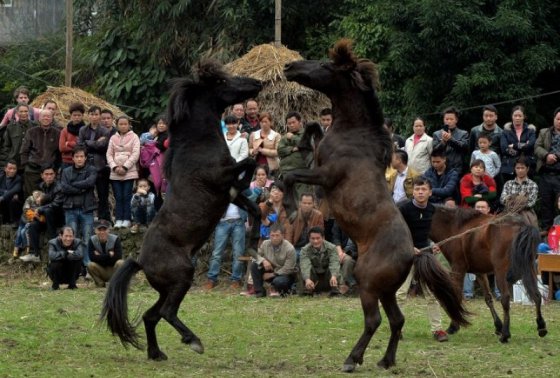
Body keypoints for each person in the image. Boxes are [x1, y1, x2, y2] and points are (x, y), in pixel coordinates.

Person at [396, 177, 449, 342]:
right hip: (406, 254)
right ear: (413, 191)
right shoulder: (403, 209)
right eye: (417, 189)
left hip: (426, 255)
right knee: (401, 294)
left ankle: (437, 330)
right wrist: (409, 247)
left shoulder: (433, 210)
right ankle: (397, 329)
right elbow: (396, 231)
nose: (420, 192)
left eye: (423, 189)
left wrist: (434, 244)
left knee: (432, 294)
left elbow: (432, 233)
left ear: (430, 192)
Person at [60, 145, 97, 269]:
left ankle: (87, 267)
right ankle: (74, 266)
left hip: (87, 209)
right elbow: (64, 188)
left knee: (87, 239)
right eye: (77, 156)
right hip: (70, 209)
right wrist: (81, 189)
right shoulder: (66, 171)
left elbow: (90, 182)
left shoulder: (91, 170)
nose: (79, 159)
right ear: (73, 158)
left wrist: (74, 185)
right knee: (71, 239)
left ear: (86, 158)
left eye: (82, 156)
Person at [106, 116, 140, 229]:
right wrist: (114, 167)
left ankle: (127, 219)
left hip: (129, 172)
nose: (123, 126)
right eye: (121, 124)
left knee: (126, 196)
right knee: (118, 196)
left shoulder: (134, 137)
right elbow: (109, 154)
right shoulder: (113, 138)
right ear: (117, 125)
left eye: (125, 124)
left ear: (129, 125)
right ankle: (118, 219)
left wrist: (125, 167)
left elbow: (136, 153)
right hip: (115, 172)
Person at [79, 105, 111, 222]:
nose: (94, 117)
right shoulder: (83, 129)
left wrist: (88, 143)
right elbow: (80, 146)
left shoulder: (105, 131)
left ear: (100, 116)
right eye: (91, 114)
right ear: (88, 116)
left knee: (103, 193)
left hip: (101, 165)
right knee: (87, 192)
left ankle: (104, 217)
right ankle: (88, 216)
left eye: (96, 114)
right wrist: (94, 143)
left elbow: (103, 147)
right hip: (87, 165)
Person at [20, 109, 61, 198]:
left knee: (48, 196)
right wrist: (26, 166)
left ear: (52, 119)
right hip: (32, 170)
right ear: (39, 118)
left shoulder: (57, 133)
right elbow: (24, 151)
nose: (46, 118)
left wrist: (56, 169)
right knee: (31, 196)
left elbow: (59, 153)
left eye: (48, 116)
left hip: (49, 171)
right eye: (43, 116)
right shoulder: (31, 132)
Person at [26, 164, 64, 259]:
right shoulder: (42, 186)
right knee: (33, 225)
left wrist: (41, 209)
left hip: (57, 218)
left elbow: (56, 204)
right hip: (45, 217)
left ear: (55, 175)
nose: (49, 176)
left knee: (48, 210)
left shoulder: (59, 187)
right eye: (46, 174)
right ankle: (35, 254)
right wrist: (36, 212)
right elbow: (38, 203)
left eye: (51, 174)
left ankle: (54, 246)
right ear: (42, 175)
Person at [249, 223, 297, 297]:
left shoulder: (289, 248)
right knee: (254, 266)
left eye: (277, 235)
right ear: (269, 235)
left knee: (278, 281)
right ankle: (260, 292)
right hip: (270, 270)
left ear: (283, 235)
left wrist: (273, 274)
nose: (274, 238)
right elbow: (254, 255)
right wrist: (263, 260)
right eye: (272, 235)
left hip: (284, 274)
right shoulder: (265, 243)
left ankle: (284, 292)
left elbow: (289, 269)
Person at [534, 107, 560, 230]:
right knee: (546, 206)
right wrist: (546, 155)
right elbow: (537, 147)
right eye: (558, 119)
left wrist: (557, 156)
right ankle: (546, 234)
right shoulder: (544, 132)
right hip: (546, 174)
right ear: (554, 119)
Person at [299, 226, 342, 296]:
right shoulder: (304, 250)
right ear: (309, 239)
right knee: (302, 270)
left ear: (323, 238)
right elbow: (305, 265)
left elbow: (334, 263)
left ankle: (335, 290)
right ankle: (308, 290)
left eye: (318, 238)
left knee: (335, 270)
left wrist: (334, 276)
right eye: (313, 238)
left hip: (328, 277)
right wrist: (307, 279)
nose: (315, 241)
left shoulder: (332, 248)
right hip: (314, 278)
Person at [278, 112, 311, 201]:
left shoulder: (307, 134)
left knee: (301, 198)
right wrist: (292, 149)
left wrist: (293, 137)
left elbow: (308, 144)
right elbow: (280, 151)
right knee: (288, 199)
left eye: (293, 122)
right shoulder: (285, 137)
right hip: (286, 172)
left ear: (300, 122)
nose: (291, 125)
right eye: (289, 123)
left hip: (301, 171)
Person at [500, 105, 536, 182]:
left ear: (524, 117)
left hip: (528, 166)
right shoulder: (505, 132)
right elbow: (504, 148)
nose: (517, 118)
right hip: (509, 167)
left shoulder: (531, 131)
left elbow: (530, 145)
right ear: (512, 117)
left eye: (520, 116)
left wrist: (514, 145)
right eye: (515, 115)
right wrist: (519, 151)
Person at [500, 157, 539, 227]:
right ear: (514, 169)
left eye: (522, 168)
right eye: (518, 168)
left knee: (530, 231)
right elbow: (503, 199)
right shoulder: (508, 183)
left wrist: (512, 199)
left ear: (527, 169)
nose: (520, 170)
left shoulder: (532, 185)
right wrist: (521, 198)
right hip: (509, 212)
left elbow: (531, 203)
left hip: (526, 214)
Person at [87, 219, 124, 288]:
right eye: (99, 230)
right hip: (101, 270)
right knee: (90, 265)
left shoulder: (115, 239)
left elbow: (118, 257)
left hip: (113, 269)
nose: (102, 232)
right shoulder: (91, 240)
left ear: (108, 230)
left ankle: (116, 283)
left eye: (104, 229)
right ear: (95, 231)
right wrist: (109, 255)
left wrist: (100, 257)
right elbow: (92, 258)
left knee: (121, 263)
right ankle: (100, 283)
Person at [432, 107, 469, 175]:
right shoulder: (436, 134)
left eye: (451, 119)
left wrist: (450, 140)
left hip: (457, 169)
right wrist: (443, 142)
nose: (449, 121)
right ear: (443, 120)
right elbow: (434, 151)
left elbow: (464, 148)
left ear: (456, 120)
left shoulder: (463, 133)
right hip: (440, 169)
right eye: (446, 119)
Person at [47, 226, 85, 290]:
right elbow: (51, 255)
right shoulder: (53, 242)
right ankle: (55, 285)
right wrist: (64, 254)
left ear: (73, 236)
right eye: (66, 236)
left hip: (71, 272)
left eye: (70, 236)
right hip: (58, 273)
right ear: (60, 236)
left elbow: (80, 254)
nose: (68, 239)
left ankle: (72, 285)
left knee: (77, 260)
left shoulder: (78, 242)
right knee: (54, 262)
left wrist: (70, 256)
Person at [249, 112, 281, 176]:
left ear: (270, 122)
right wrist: (253, 152)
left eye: (266, 122)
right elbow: (249, 148)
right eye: (261, 122)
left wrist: (262, 150)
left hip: (272, 167)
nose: (263, 124)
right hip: (256, 165)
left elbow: (278, 152)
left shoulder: (276, 135)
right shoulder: (254, 134)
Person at [16, 190, 44, 262]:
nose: (36, 198)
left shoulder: (43, 201)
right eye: (35, 196)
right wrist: (34, 214)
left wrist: (35, 215)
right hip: (25, 220)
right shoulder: (30, 199)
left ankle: (29, 252)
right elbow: (26, 210)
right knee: (21, 232)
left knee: (24, 232)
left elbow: (42, 218)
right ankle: (21, 251)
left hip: (35, 222)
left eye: (38, 196)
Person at [59, 102, 86, 168]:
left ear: (82, 116)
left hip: (82, 162)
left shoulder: (86, 130)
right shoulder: (65, 131)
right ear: (71, 116)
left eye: (79, 115)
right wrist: (77, 144)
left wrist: (69, 143)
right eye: (74, 115)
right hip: (67, 162)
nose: (77, 117)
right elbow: (62, 148)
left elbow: (85, 146)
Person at [0, 160, 23, 228]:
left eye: (14, 169)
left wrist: (2, 196)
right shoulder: (1, 176)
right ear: (5, 169)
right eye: (10, 168)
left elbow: (15, 190)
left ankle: (15, 221)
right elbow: (10, 192)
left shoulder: (18, 179)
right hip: (4, 203)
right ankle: (3, 220)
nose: (12, 171)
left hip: (15, 205)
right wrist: (5, 193)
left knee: (13, 199)